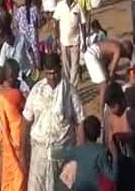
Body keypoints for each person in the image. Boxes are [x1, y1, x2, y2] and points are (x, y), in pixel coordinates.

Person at [21, 53, 85, 191]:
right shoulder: (36, 90)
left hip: (63, 153)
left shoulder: (70, 92)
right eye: (48, 73)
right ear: (44, 72)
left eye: (55, 73)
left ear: (60, 69)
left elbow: (80, 122)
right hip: (39, 153)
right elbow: (26, 121)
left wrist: (79, 156)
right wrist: (23, 153)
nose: (52, 77)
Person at [53, 115, 119, 191]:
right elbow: (112, 176)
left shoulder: (78, 150)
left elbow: (59, 154)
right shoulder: (101, 151)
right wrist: (115, 155)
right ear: (99, 133)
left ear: (84, 133)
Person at [0, 60, 27, 191]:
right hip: (17, 136)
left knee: (8, 174)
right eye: (14, 75)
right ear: (8, 75)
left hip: (6, 140)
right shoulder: (15, 94)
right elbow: (27, 108)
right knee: (20, 175)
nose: (16, 78)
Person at [83, 37, 134, 115]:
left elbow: (109, 71)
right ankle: (102, 113)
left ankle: (105, 105)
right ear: (125, 50)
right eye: (126, 55)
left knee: (106, 80)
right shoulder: (118, 49)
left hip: (93, 54)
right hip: (92, 55)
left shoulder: (112, 47)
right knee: (104, 85)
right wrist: (123, 78)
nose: (123, 57)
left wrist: (123, 77)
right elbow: (112, 72)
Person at [53, 0, 83, 88]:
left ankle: (73, 87)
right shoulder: (60, 6)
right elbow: (56, 22)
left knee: (75, 65)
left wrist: (84, 40)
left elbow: (82, 23)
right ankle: (67, 85)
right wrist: (56, 38)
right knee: (65, 65)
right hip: (63, 40)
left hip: (75, 40)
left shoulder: (78, 6)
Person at [15, 0, 41, 69]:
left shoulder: (20, 10)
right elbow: (37, 22)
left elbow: (16, 22)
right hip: (32, 33)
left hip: (23, 33)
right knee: (35, 49)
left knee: (26, 51)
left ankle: (29, 67)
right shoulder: (34, 9)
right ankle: (37, 67)